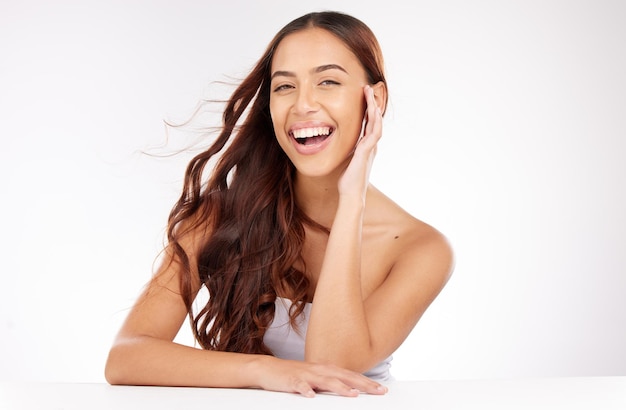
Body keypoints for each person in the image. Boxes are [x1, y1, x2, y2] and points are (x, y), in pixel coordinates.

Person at [105, 10, 454, 398]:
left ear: (375, 98)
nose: (303, 105)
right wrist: (264, 369)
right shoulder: (220, 215)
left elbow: (332, 366)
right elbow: (126, 357)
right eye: (284, 87)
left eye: (328, 81)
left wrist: (352, 200)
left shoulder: (421, 249)